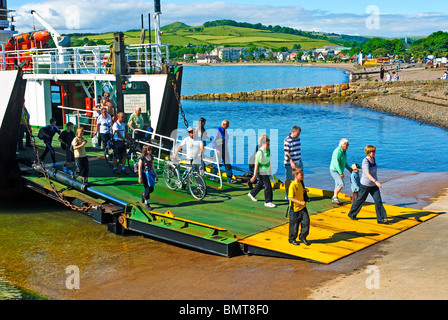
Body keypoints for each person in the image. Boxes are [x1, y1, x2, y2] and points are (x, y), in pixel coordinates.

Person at [348, 145, 388, 224]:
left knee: (378, 201)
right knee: (360, 200)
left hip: (373, 185)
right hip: (365, 185)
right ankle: (352, 214)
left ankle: (380, 219)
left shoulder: (373, 159)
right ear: (368, 152)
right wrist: (376, 181)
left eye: (374, 151)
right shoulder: (365, 161)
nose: (373, 153)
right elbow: (367, 173)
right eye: (372, 151)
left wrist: (375, 182)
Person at [248, 136, 276, 208]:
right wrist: (254, 176)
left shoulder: (268, 150)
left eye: (269, 144)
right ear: (263, 144)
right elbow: (256, 165)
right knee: (268, 186)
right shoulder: (259, 152)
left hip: (266, 170)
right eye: (267, 144)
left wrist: (270, 172)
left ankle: (252, 194)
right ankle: (268, 201)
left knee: (261, 183)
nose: (268, 146)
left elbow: (268, 161)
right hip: (260, 171)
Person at [288, 168, 310, 246]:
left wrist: (304, 190)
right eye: (301, 175)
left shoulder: (300, 183)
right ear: (296, 176)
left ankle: (303, 236)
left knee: (306, 222)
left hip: (302, 208)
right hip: (294, 209)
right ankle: (292, 239)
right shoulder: (292, 185)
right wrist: (300, 202)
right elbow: (290, 197)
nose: (303, 176)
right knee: (294, 226)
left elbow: (300, 190)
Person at [210, 119, 236, 184]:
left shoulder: (224, 130)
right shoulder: (218, 130)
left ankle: (229, 179)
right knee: (217, 164)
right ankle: (213, 177)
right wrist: (216, 149)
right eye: (227, 125)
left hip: (224, 148)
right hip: (219, 149)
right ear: (223, 124)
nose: (228, 127)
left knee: (227, 163)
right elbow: (213, 141)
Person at [329, 138, 352, 204]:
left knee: (337, 185)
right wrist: (341, 173)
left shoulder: (344, 151)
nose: (348, 146)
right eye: (347, 144)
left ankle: (334, 198)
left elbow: (344, 162)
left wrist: (349, 169)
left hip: (339, 170)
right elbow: (336, 163)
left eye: (348, 144)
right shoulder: (337, 151)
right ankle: (334, 197)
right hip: (334, 170)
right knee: (341, 184)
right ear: (343, 144)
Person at [284, 125, 303, 200]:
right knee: (289, 179)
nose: (298, 135)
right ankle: (287, 194)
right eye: (297, 133)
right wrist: (291, 162)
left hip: (299, 161)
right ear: (293, 132)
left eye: (299, 133)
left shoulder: (298, 138)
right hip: (289, 163)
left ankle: (300, 193)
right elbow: (286, 152)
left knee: (300, 177)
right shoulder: (287, 140)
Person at [138, 145, 158, 210]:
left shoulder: (151, 157)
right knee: (147, 188)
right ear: (146, 150)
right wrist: (140, 177)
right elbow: (139, 167)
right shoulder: (142, 158)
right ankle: (147, 203)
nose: (151, 151)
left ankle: (144, 195)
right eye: (149, 150)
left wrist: (156, 175)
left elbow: (152, 166)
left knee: (151, 189)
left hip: (150, 174)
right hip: (144, 174)